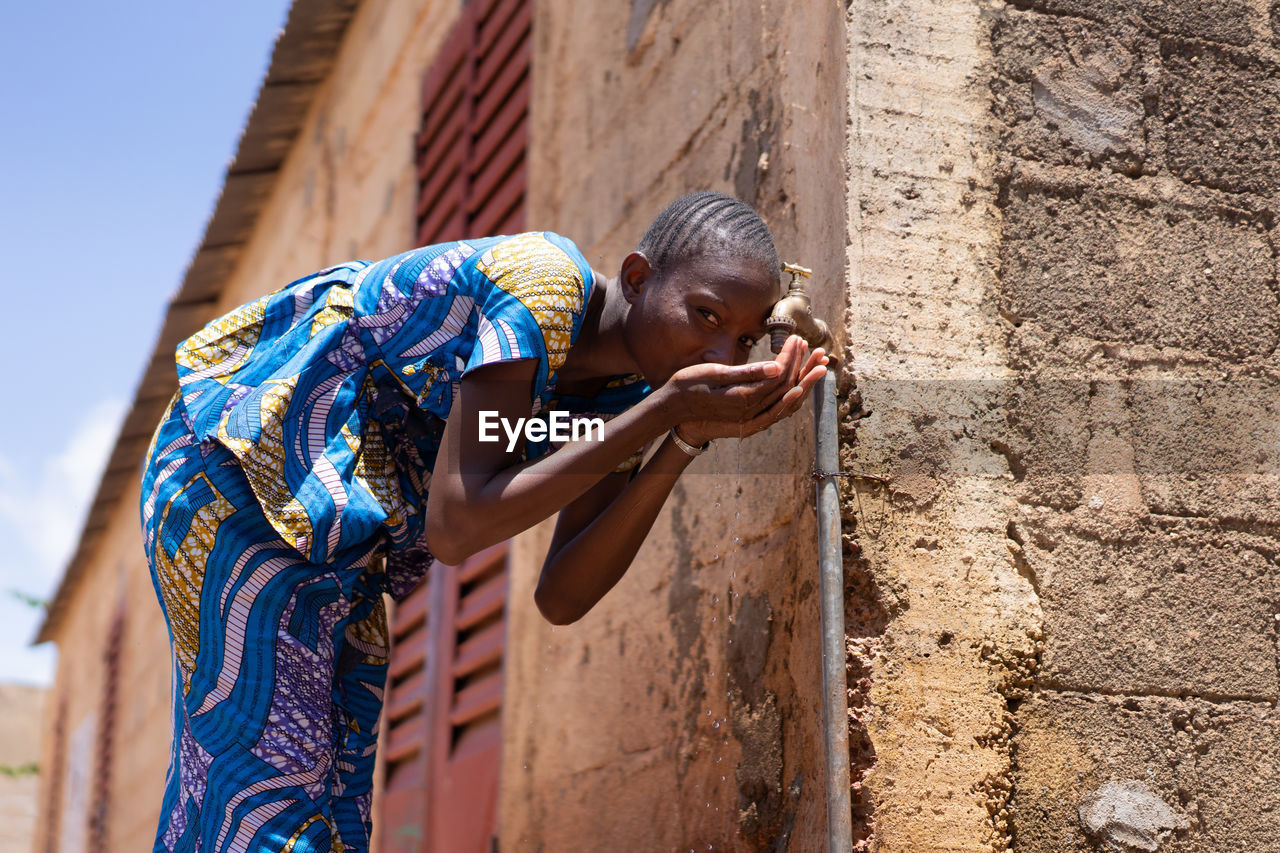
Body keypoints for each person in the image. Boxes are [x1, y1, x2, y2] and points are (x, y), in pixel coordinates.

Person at [139, 190, 828, 852]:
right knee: (269, 785)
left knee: (328, 800)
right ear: (639, 277)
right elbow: (457, 524)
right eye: (706, 315)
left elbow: (562, 594)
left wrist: (683, 440)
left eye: (743, 338)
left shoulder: (624, 397)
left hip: (337, 546)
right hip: (237, 477)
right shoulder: (543, 285)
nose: (721, 356)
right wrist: (660, 414)